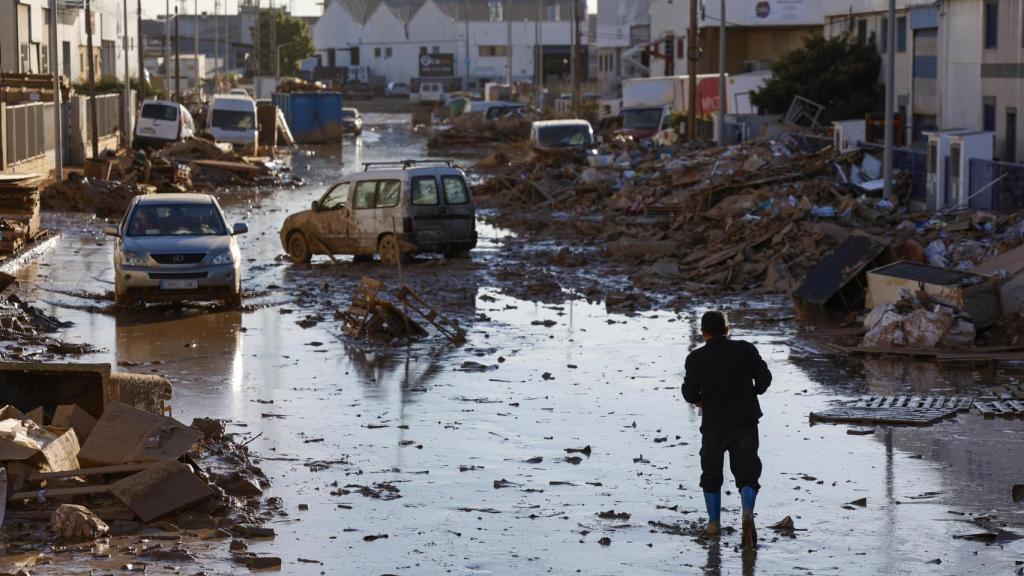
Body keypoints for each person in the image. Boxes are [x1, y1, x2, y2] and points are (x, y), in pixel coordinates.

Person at [681, 310, 771, 549]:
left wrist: (700, 399)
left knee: (711, 473)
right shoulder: (745, 349)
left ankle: (713, 523)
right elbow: (764, 379)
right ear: (727, 330)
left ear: (703, 333)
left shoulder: (696, 358)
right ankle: (748, 513)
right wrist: (752, 392)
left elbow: (689, 393)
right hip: (746, 422)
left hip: (714, 425)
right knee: (748, 472)